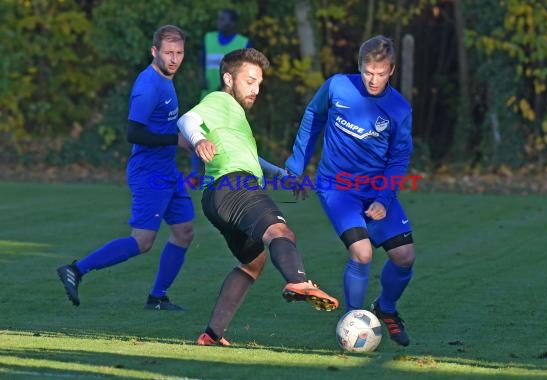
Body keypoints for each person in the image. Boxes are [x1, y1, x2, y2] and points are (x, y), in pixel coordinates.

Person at [177, 48, 339, 346]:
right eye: (250, 81)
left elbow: (250, 157)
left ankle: (212, 334)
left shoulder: (234, 117)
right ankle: (299, 280)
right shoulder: (220, 100)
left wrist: (282, 174)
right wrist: (198, 138)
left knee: (253, 263)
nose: (256, 89)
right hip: (234, 185)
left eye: (259, 84)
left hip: (217, 197)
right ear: (228, 78)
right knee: (279, 231)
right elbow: (187, 120)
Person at [285, 35, 415, 347]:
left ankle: (386, 309)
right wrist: (296, 164)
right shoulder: (337, 86)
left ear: (391, 70)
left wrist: (384, 199)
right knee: (362, 252)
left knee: (404, 256)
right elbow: (313, 117)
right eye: (368, 72)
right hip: (336, 188)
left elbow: (398, 159)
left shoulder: (398, 108)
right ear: (360, 66)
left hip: (376, 191)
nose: (374, 79)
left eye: (381, 73)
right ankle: (354, 321)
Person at [57, 25, 195, 311]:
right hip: (148, 172)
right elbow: (133, 133)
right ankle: (76, 270)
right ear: (154, 51)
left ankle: (157, 297)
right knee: (143, 241)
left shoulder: (166, 79)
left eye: (179, 53)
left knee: (184, 231)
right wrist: (176, 139)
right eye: (168, 52)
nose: (174, 59)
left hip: (167, 171)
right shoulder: (147, 86)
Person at [188, 9, 252, 185]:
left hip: (230, 101)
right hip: (207, 97)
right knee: (198, 132)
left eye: (223, 19)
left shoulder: (243, 42)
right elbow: (201, 63)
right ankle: (195, 173)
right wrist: (201, 77)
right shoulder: (208, 39)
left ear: (233, 23)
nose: (219, 22)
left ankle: (229, 174)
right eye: (219, 19)